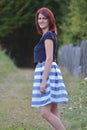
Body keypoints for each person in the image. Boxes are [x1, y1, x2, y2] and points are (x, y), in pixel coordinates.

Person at [31, 7, 68, 130]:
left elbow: (49, 59)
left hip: (47, 72)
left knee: (45, 112)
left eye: (44, 18)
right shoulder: (47, 35)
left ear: (49, 20)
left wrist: (43, 81)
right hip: (50, 71)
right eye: (39, 18)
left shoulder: (48, 36)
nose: (41, 21)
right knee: (53, 110)